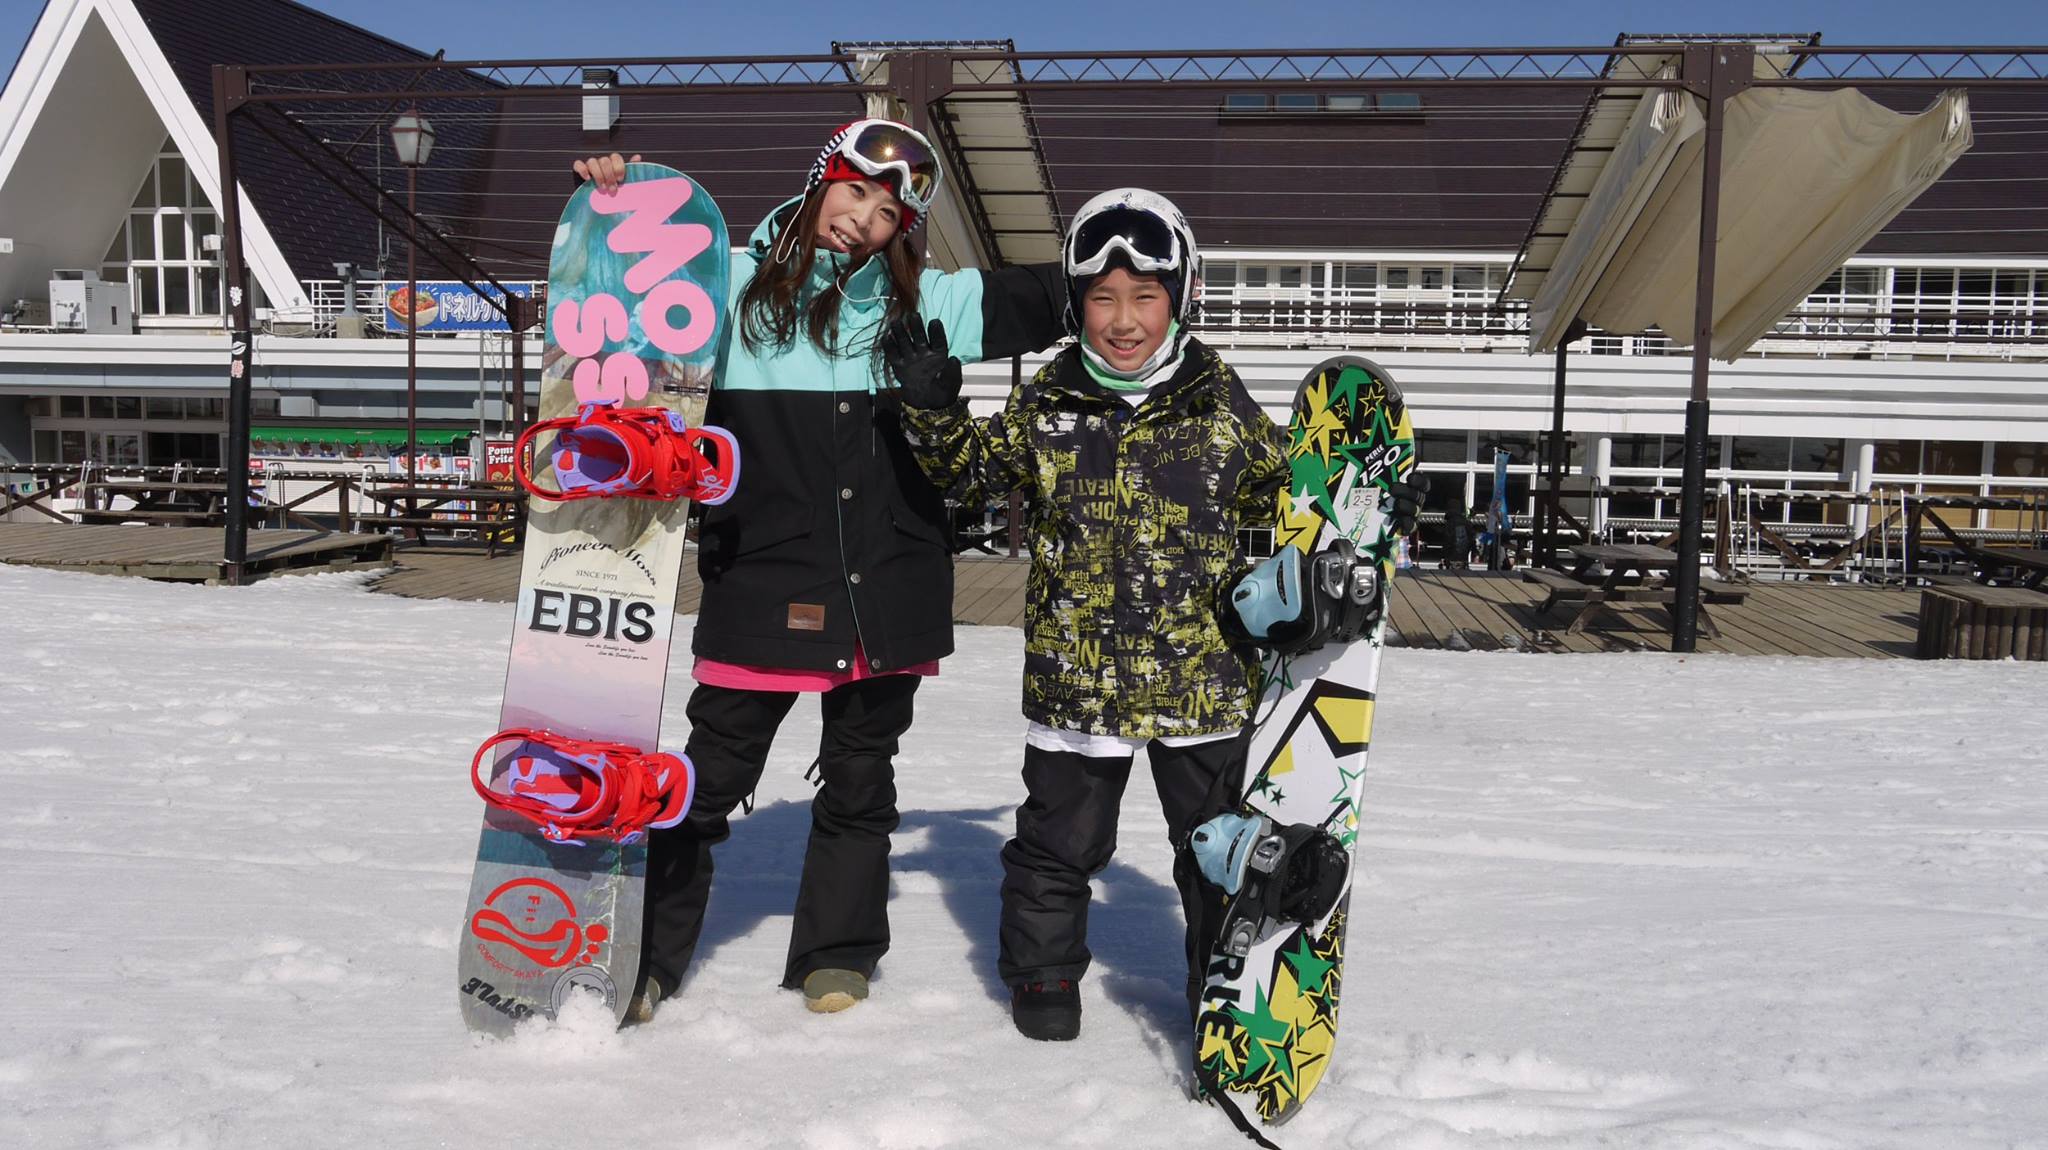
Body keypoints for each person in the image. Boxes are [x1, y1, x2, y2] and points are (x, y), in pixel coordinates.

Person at [572, 119, 1065, 1020]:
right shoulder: (717, 280)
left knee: (861, 779)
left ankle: (837, 954)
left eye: (888, 213)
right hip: (765, 571)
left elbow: (1064, 296)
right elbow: (611, 296)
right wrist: (614, 206)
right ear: (819, 181)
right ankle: (644, 956)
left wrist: (1136, 258)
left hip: (890, 582)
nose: (864, 219)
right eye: (855, 191)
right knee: (708, 780)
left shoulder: (925, 304)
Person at [881, 188, 1293, 1041]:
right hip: (1080, 676)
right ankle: (1043, 974)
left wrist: (1352, 513)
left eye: (1144, 296)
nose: (1124, 320)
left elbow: (1284, 494)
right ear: (1077, 305)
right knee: (1057, 842)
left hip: (1202, 676)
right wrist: (932, 409)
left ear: (1179, 297)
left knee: (1216, 848)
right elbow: (973, 477)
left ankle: (1221, 989)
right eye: (1103, 298)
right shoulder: (1050, 399)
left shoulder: (1219, 399)